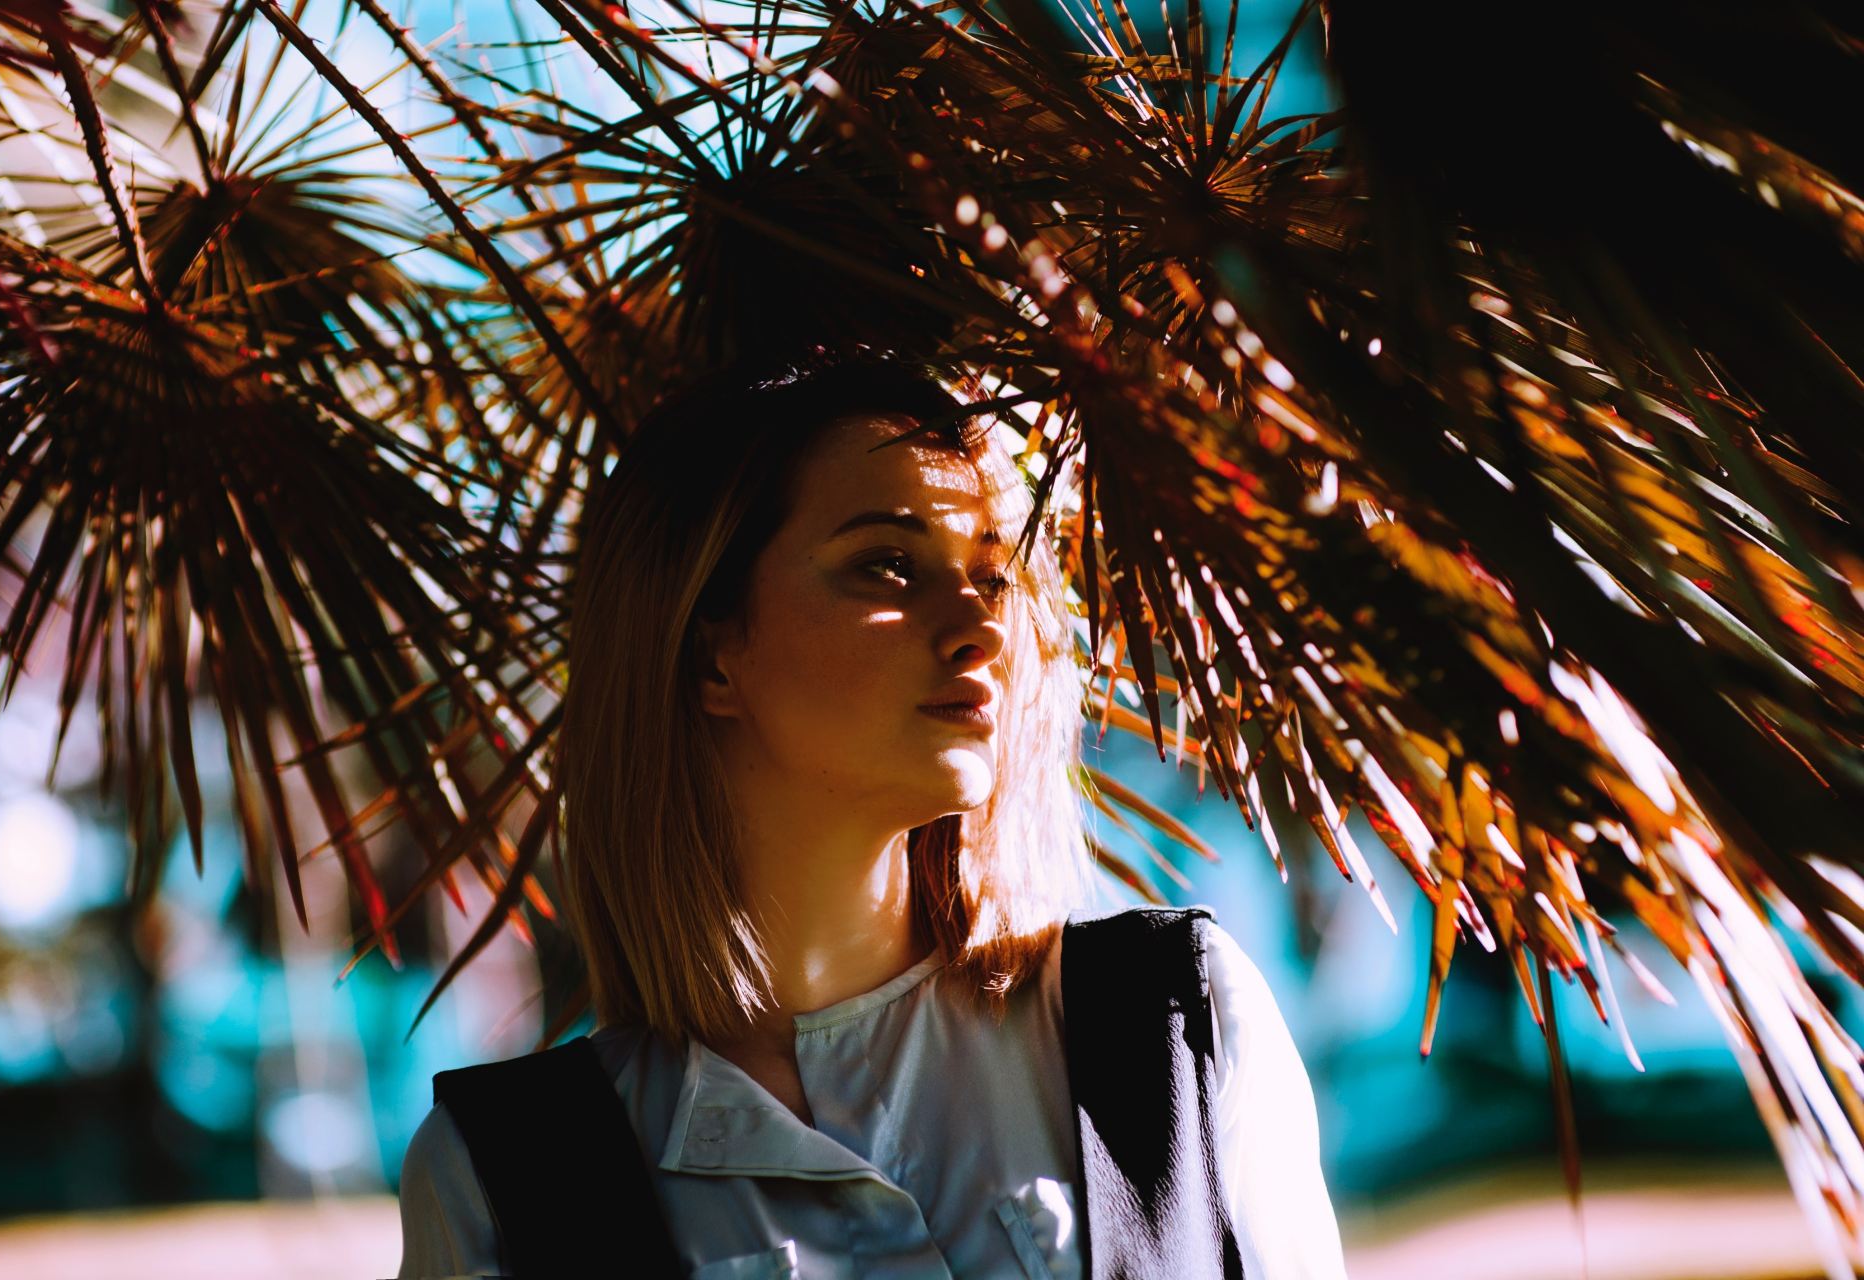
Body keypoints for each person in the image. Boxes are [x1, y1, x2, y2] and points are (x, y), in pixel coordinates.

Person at [391, 356, 1347, 1279]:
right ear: (711, 652)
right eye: (887, 565)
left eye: (993, 574)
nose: (979, 625)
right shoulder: (499, 1180)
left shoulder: (1178, 1020)